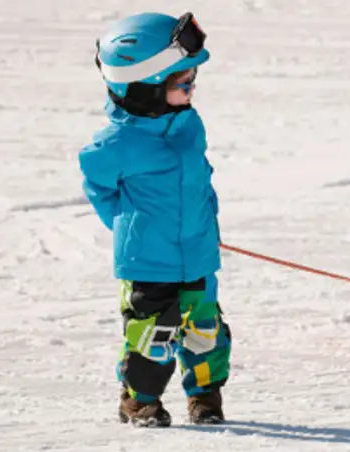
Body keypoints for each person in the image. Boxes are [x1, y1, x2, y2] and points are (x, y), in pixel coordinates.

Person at [78, 11, 231, 428]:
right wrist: (134, 227)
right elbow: (100, 187)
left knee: (205, 332)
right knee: (153, 337)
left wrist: (205, 224)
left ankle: (205, 397)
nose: (192, 89)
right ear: (144, 89)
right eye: (183, 84)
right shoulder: (115, 144)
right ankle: (139, 400)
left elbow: (200, 181)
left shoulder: (188, 124)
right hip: (148, 261)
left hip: (197, 252)